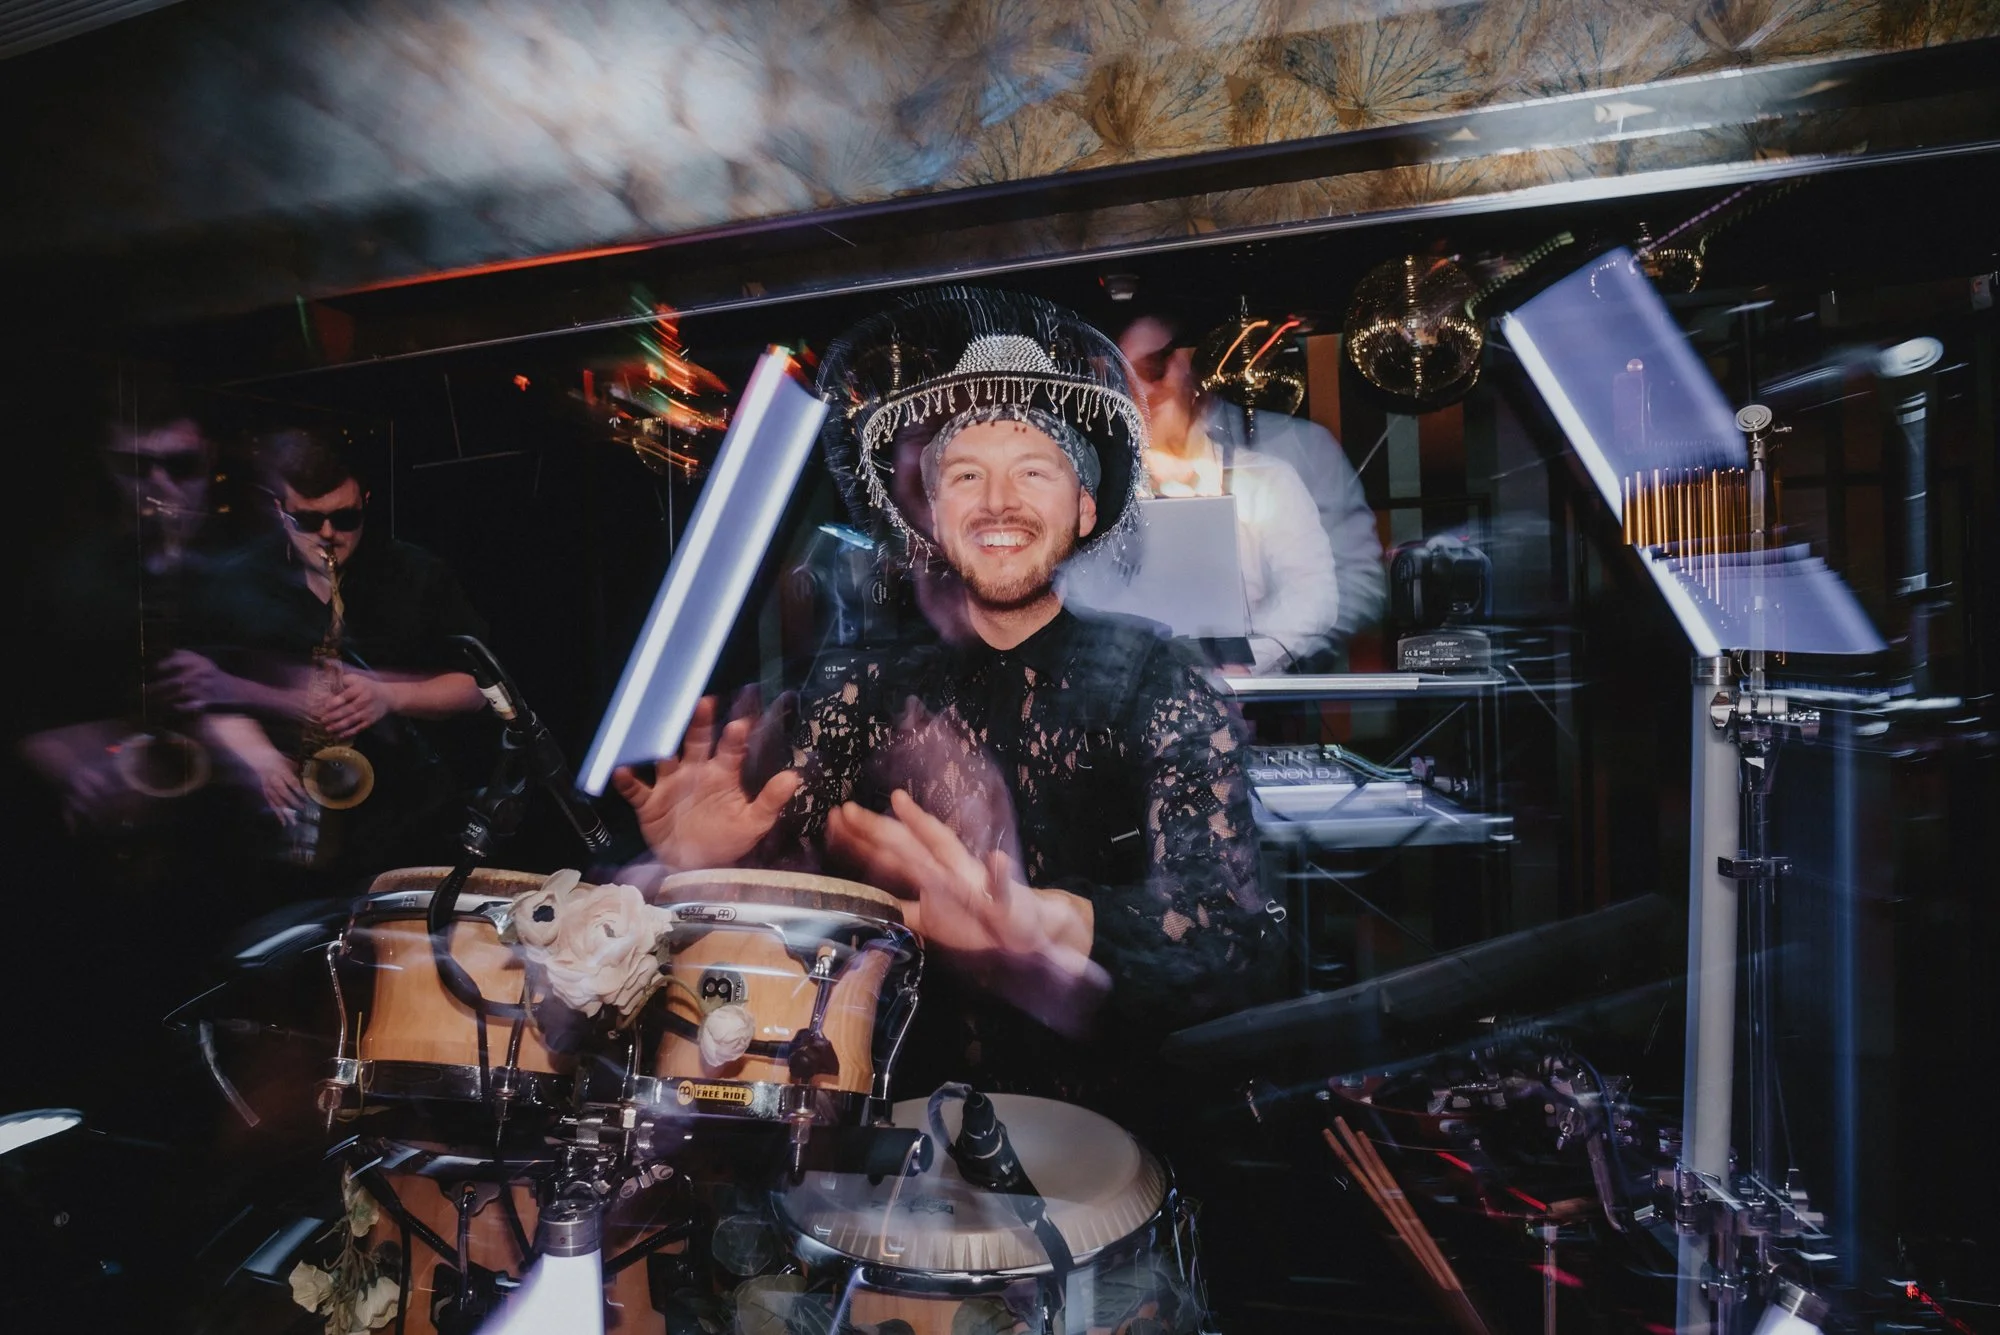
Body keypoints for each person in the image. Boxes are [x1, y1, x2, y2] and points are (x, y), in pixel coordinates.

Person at [615, 288, 1277, 1107]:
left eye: (1034, 470)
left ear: (1085, 505)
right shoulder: (858, 686)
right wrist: (708, 867)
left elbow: (1232, 941)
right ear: (932, 513)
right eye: (965, 474)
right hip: (877, 1130)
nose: (998, 503)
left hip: (1104, 1139)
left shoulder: (1160, 681)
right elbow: (784, 927)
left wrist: (1046, 922)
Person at [187, 428, 489, 886]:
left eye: (346, 517)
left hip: (403, 825)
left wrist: (389, 696)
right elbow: (212, 697)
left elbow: (477, 689)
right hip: (277, 836)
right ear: (279, 510)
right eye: (308, 520)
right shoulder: (243, 580)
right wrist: (261, 758)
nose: (328, 535)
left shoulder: (415, 574)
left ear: (365, 499)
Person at [1120, 312, 1386, 667]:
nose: (1143, 389)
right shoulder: (1116, 490)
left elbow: (1316, 594)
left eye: (1152, 367)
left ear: (1182, 365)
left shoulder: (1267, 473)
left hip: (1260, 699)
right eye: (1125, 378)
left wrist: (1246, 661)